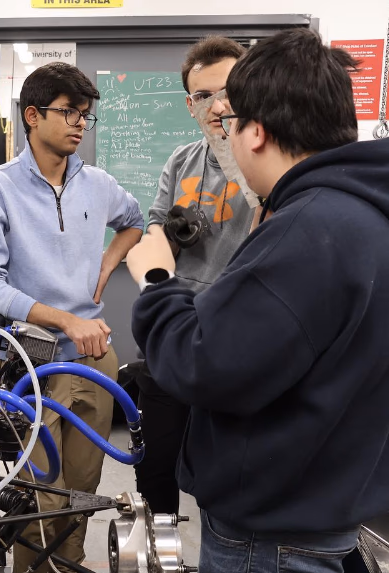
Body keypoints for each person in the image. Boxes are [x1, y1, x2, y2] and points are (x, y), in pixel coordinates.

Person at [126, 28, 389, 573]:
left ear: (257, 132)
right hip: (326, 497)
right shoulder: (363, 210)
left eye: (233, 117)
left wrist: (154, 280)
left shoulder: (308, 229)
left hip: (272, 539)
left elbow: (203, 365)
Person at [0, 62, 143, 573]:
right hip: (31, 360)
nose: (79, 125)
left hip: (94, 356)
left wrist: (109, 263)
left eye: (85, 116)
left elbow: (135, 222)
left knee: (85, 484)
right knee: (41, 488)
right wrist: (65, 319)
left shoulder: (100, 185)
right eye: (68, 113)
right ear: (32, 116)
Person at [134, 36, 253, 515]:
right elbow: (156, 225)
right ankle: (159, 559)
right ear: (190, 104)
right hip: (175, 330)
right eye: (203, 96)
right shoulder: (180, 160)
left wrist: (232, 145)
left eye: (228, 91)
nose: (217, 105)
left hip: (235, 341)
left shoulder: (265, 156)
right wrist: (164, 243)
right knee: (154, 465)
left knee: (223, 473)